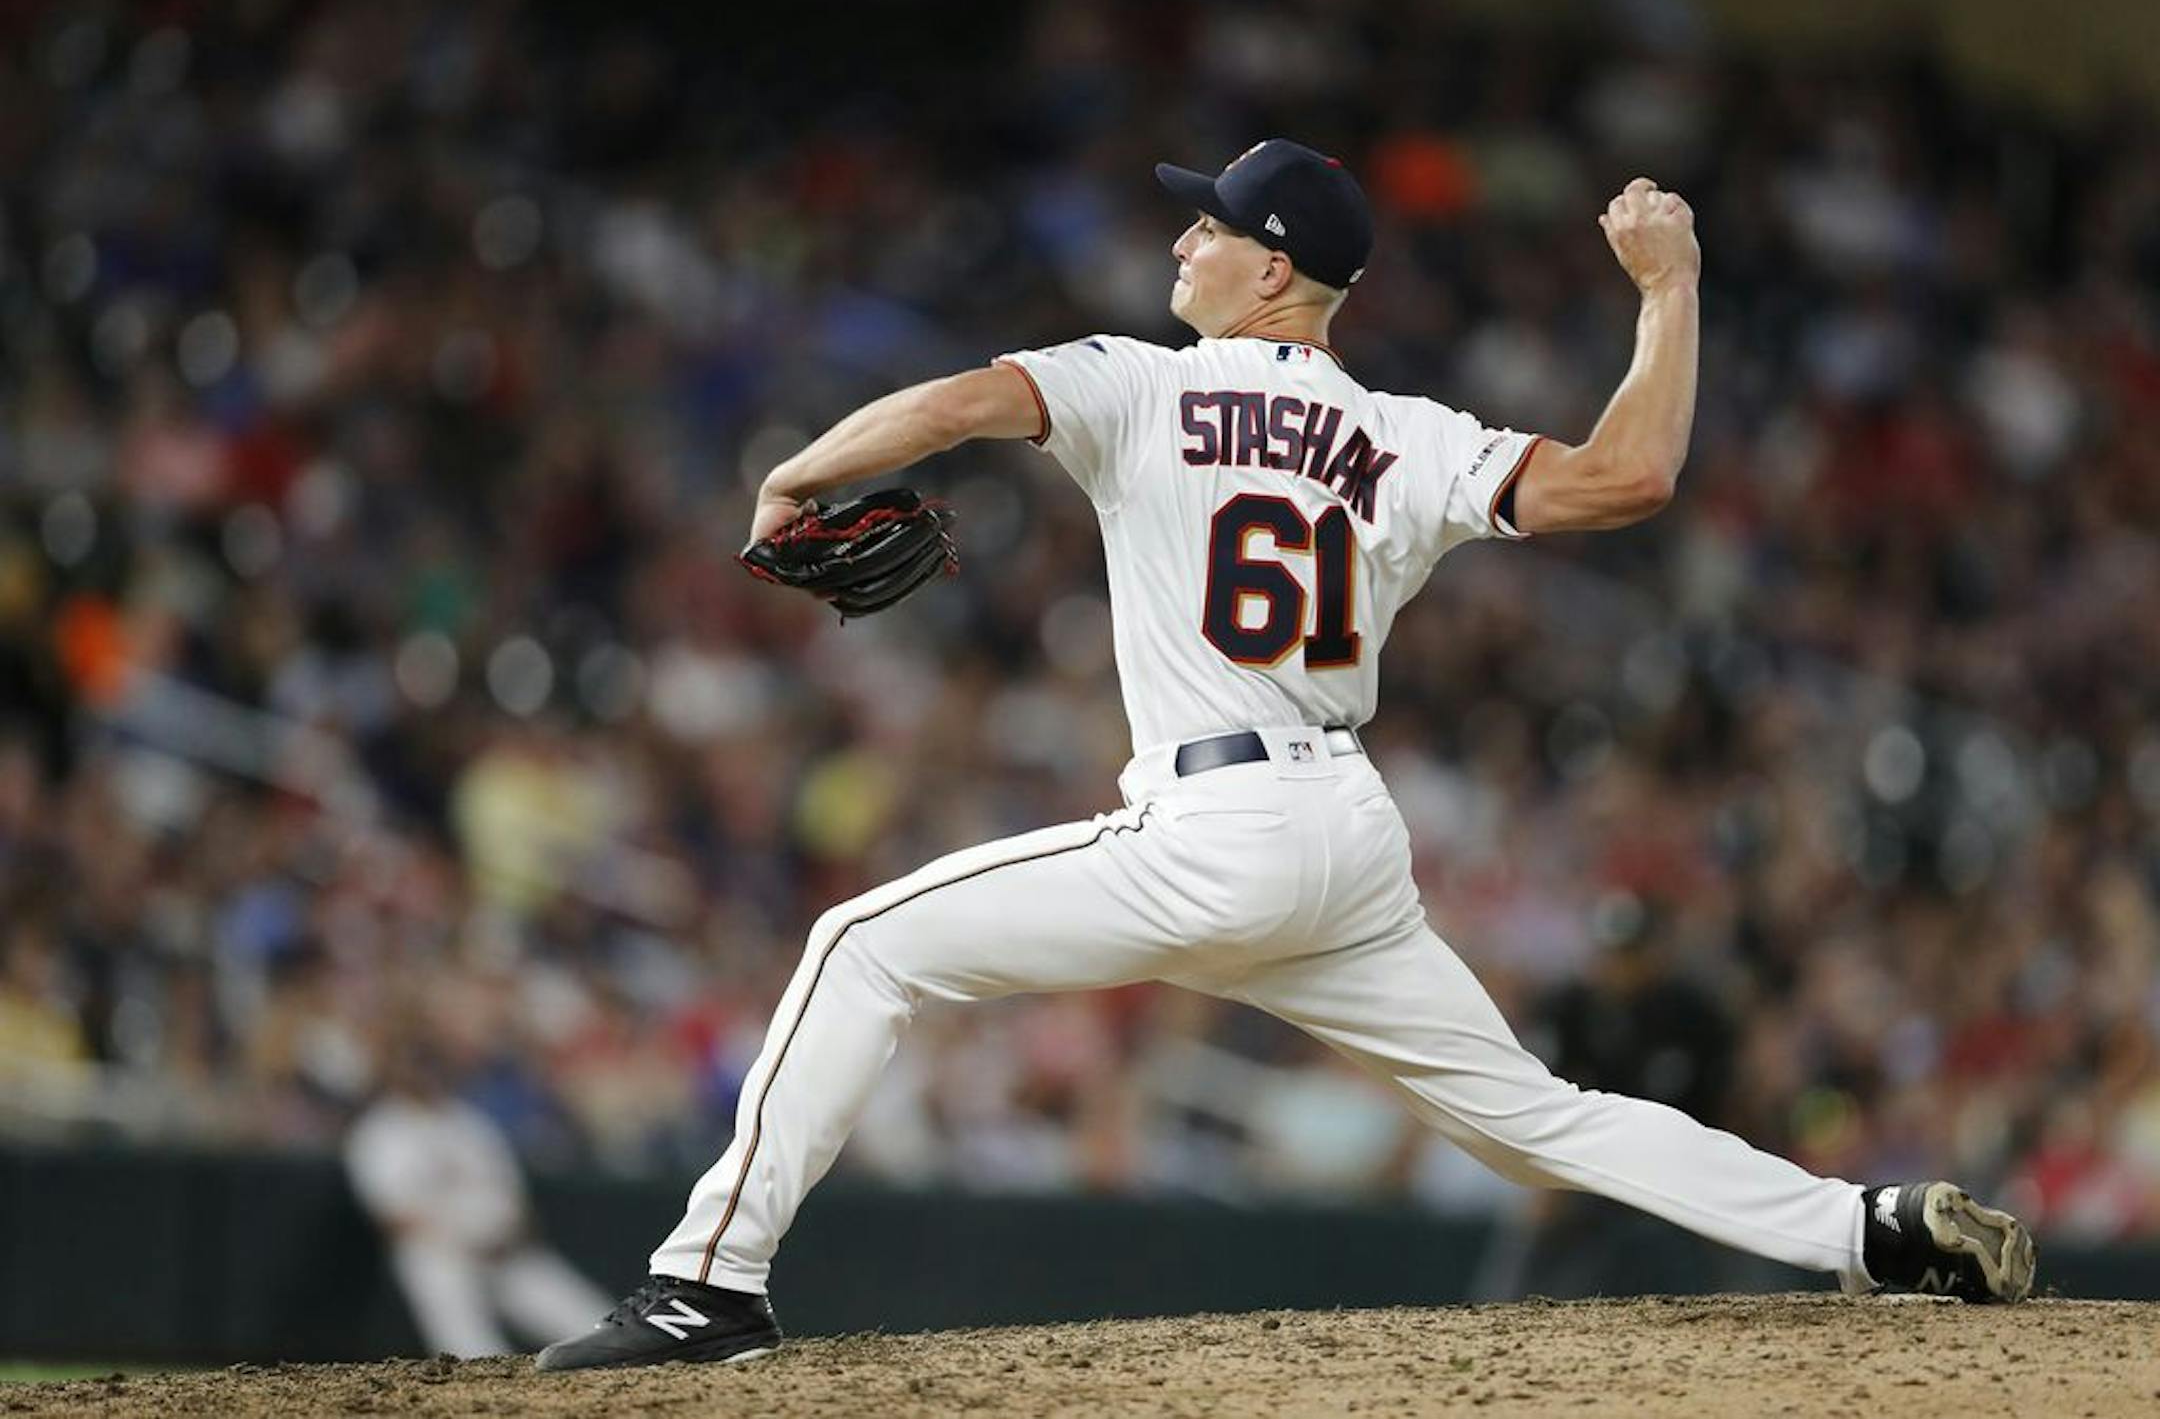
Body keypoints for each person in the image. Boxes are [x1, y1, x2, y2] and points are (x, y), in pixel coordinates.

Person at [536, 140, 2035, 1371]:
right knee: (1537, 1118)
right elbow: (1631, 474)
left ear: (1273, 269)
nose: (1183, 241)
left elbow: (954, 408)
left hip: (1214, 824)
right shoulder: (1402, 433)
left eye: (1211, 225)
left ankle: (703, 1286)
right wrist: (1672, 287)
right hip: (1344, 837)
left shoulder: (1138, 380)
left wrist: (799, 470)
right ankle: (1871, 1230)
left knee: (860, 942)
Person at [346, 1042, 611, 1358]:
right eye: (415, 1066)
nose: (424, 1074)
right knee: (470, 1348)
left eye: (430, 1064)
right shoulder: (382, 1130)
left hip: (505, 1251)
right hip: (438, 1253)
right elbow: (391, 1216)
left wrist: (506, 1235)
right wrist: (464, 1241)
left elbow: (513, 1197)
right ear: (394, 1073)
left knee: (596, 1322)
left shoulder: (469, 1121)